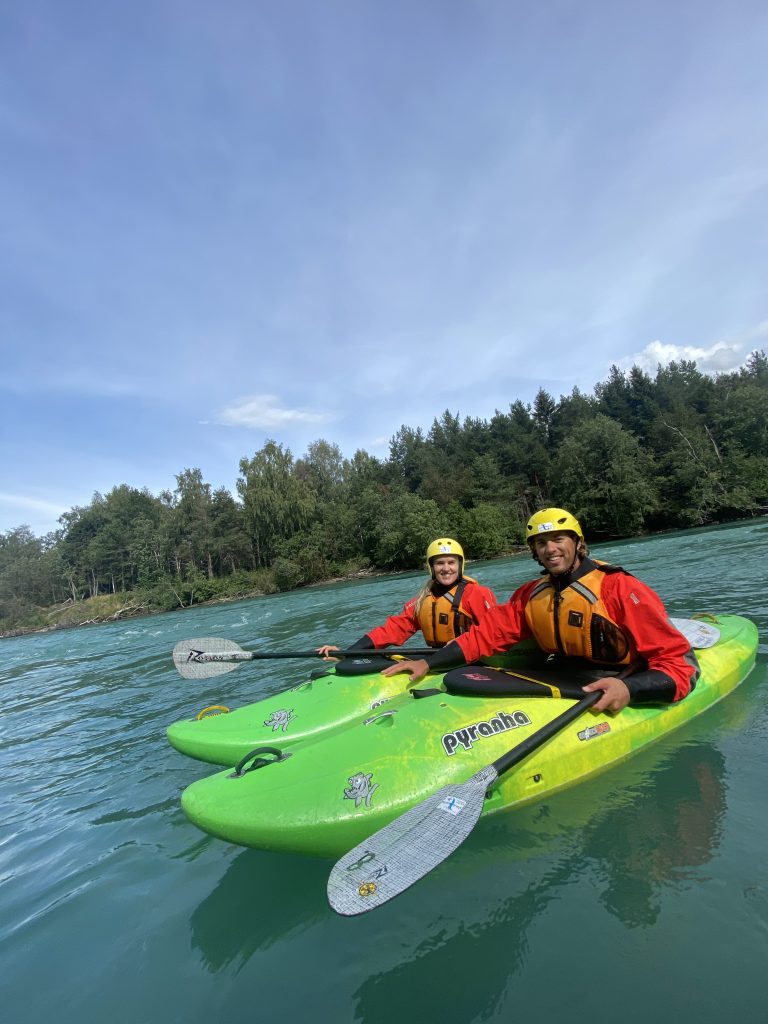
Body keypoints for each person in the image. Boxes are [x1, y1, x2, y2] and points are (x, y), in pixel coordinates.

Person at [382, 508, 700, 714]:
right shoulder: (531, 595)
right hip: (563, 673)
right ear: (534, 551)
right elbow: (483, 638)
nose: (550, 549)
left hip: (617, 675)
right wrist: (428, 662)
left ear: (577, 542)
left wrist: (629, 689)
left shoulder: (619, 588)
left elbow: (680, 666)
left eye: (558, 539)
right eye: (541, 543)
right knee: (461, 678)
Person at [317, 537, 496, 657]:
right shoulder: (422, 601)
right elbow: (392, 630)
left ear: (460, 565)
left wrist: (462, 643)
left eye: (451, 562)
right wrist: (348, 654)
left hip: (471, 658)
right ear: (431, 567)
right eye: (440, 563)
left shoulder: (477, 594)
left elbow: (494, 632)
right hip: (438, 659)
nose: (446, 568)